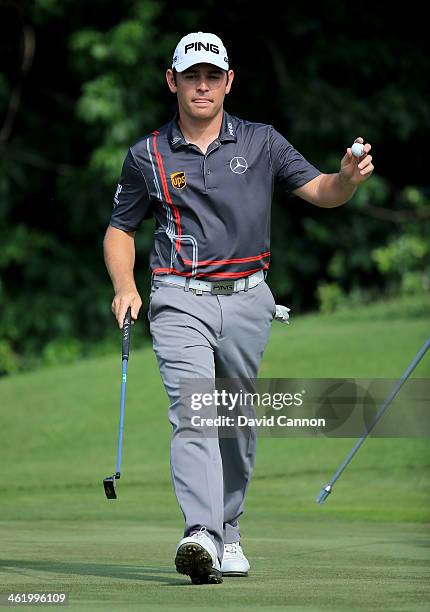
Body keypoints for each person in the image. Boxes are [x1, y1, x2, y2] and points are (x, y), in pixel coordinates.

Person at [103, 31, 374, 585]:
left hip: (250, 300)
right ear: (172, 81)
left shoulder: (261, 141)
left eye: (211, 76)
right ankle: (200, 531)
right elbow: (120, 229)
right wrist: (125, 286)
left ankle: (228, 530)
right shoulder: (147, 155)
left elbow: (321, 190)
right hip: (179, 296)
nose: (201, 86)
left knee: (237, 424)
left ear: (228, 81)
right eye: (190, 76)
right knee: (194, 410)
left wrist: (345, 179)